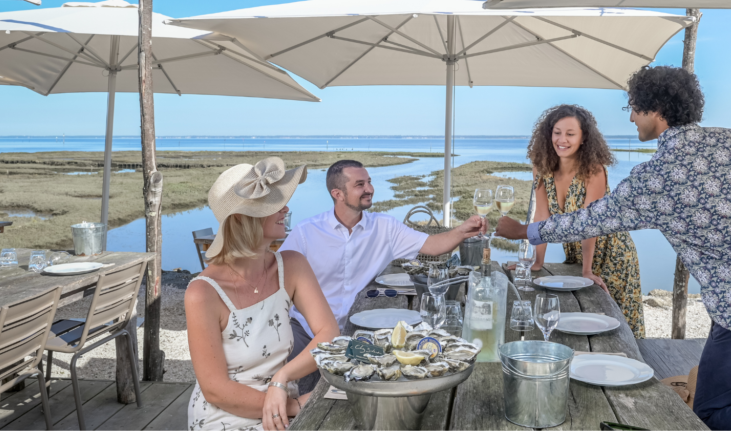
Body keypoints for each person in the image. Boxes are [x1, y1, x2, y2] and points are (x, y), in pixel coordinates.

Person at [497, 66, 731, 431]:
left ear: (654, 111)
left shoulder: (657, 177)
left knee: (712, 411)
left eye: (633, 108)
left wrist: (524, 231)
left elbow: (590, 220)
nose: (631, 118)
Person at [282, 160, 486, 396]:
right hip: (308, 334)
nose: (369, 188)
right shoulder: (306, 232)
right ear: (337, 194)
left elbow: (431, 245)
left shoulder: (385, 227)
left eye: (369, 181)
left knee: (348, 400)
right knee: (305, 401)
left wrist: (463, 230)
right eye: (360, 184)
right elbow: (279, 280)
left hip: (357, 337)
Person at [186, 158, 338, 431]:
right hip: (226, 416)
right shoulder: (203, 293)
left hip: (282, 401)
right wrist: (295, 406)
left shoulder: (291, 265)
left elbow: (329, 333)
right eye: (275, 205)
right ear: (246, 219)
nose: (287, 209)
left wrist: (282, 378)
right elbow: (216, 390)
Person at [525, 104, 645, 338]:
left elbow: (591, 224)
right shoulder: (541, 167)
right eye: (557, 132)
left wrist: (587, 269)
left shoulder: (593, 170)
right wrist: (537, 261)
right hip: (578, 254)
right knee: (584, 321)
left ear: (583, 138)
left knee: (618, 323)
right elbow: (542, 216)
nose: (562, 139)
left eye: (570, 134)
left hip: (613, 253)